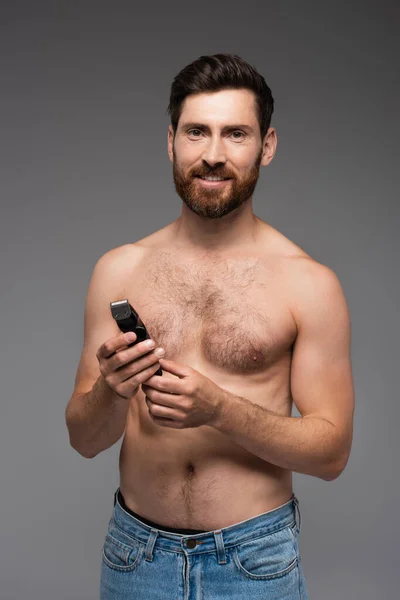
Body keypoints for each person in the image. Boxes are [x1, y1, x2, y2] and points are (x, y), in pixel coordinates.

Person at [65, 53, 354, 600]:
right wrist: (111, 390)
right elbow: (84, 439)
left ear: (266, 146)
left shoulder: (309, 284)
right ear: (171, 140)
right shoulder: (119, 269)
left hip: (254, 560)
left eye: (236, 134)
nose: (214, 156)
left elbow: (332, 453)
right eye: (197, 132)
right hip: (135, 557)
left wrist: (219, 409)